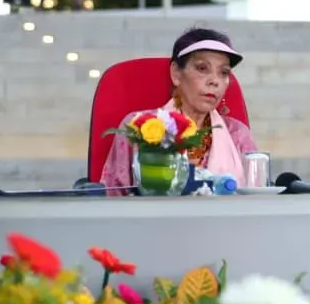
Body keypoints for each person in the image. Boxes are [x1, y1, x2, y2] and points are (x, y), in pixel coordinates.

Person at [101, 28, 258, 194]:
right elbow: (113, 197)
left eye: (224, 72)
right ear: (176, 73)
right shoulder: (141, 127)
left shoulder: (238, 134)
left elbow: (256, 200)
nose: (214, 81)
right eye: (202, 68)